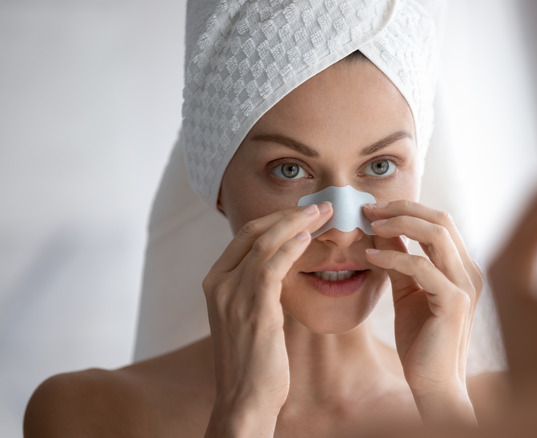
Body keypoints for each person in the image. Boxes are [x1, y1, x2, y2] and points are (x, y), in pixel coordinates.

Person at [23, 0, 506, 437]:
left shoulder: (499, 410)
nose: (340, 229)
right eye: (289, 170)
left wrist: (443, 402)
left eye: (380, 166)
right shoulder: (91, 415)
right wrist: (244, 413)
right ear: (216, 185)